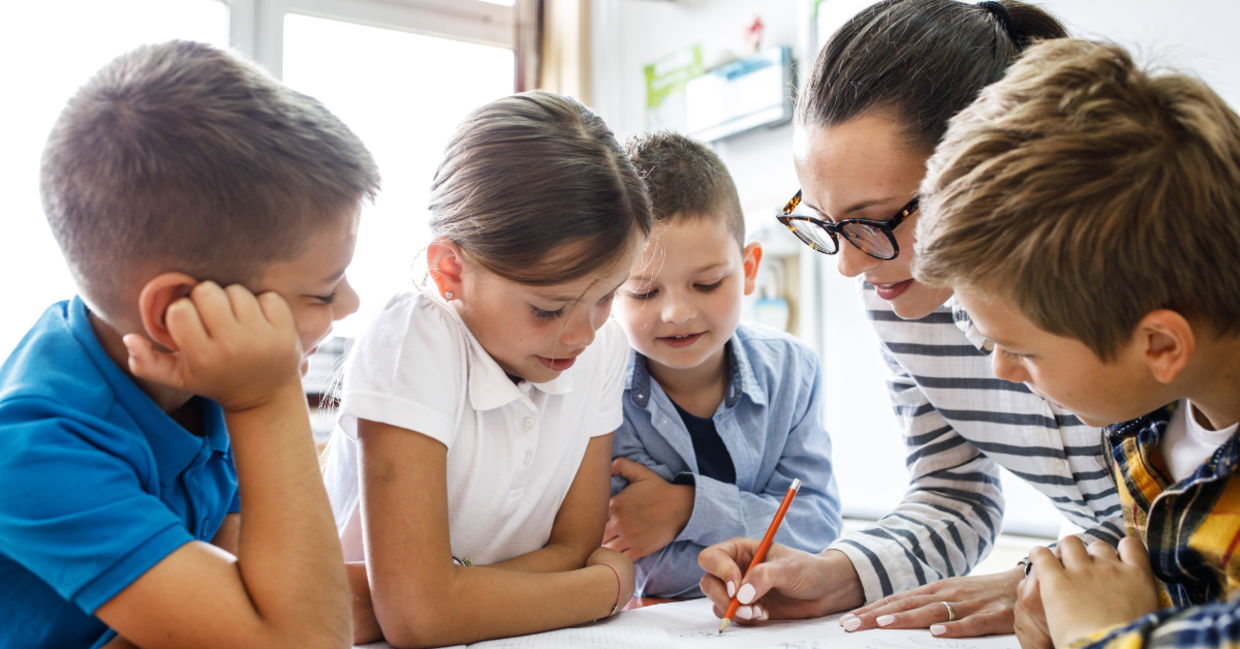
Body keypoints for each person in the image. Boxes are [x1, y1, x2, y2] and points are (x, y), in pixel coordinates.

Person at [697, 0, 1125, 637]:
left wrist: (1046, 578)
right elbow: (954, 491)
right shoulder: (896, 292)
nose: (847, 266)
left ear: (987, 170)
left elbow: (1203, 505)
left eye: (871, 221)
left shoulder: (1142, 274)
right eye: (823, 221)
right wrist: (836, 572)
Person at [0, 40, 379, 649]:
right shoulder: (32, 447)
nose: (351, 305)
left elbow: (252, 595)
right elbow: (305, 640)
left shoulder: (192, 377)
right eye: (321, 292)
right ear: (177, 314)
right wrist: (266, 399)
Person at [914, 37, 1240, 649]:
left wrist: (1103, 632)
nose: (1003, 370)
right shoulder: (1145, 423)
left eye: (1024, 350)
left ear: (1161, 346)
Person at [320, 90, 653, 647]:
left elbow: (573, 547)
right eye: (547, 309)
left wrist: (432, 594)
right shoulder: (416, 335)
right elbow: (418, 617)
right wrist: (606, 590)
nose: (582, 333)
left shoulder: (603, 347)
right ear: (451, 270)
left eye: (607, 298)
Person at [604, 131, 842, 599]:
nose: (677, 313)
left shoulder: (792, 371)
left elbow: (816, 526)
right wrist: (758, 536)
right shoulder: (601, 389)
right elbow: (636, 561)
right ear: (607, 288)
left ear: (749, 268)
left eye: (708, 284)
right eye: (645, 292)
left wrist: (689, 508)